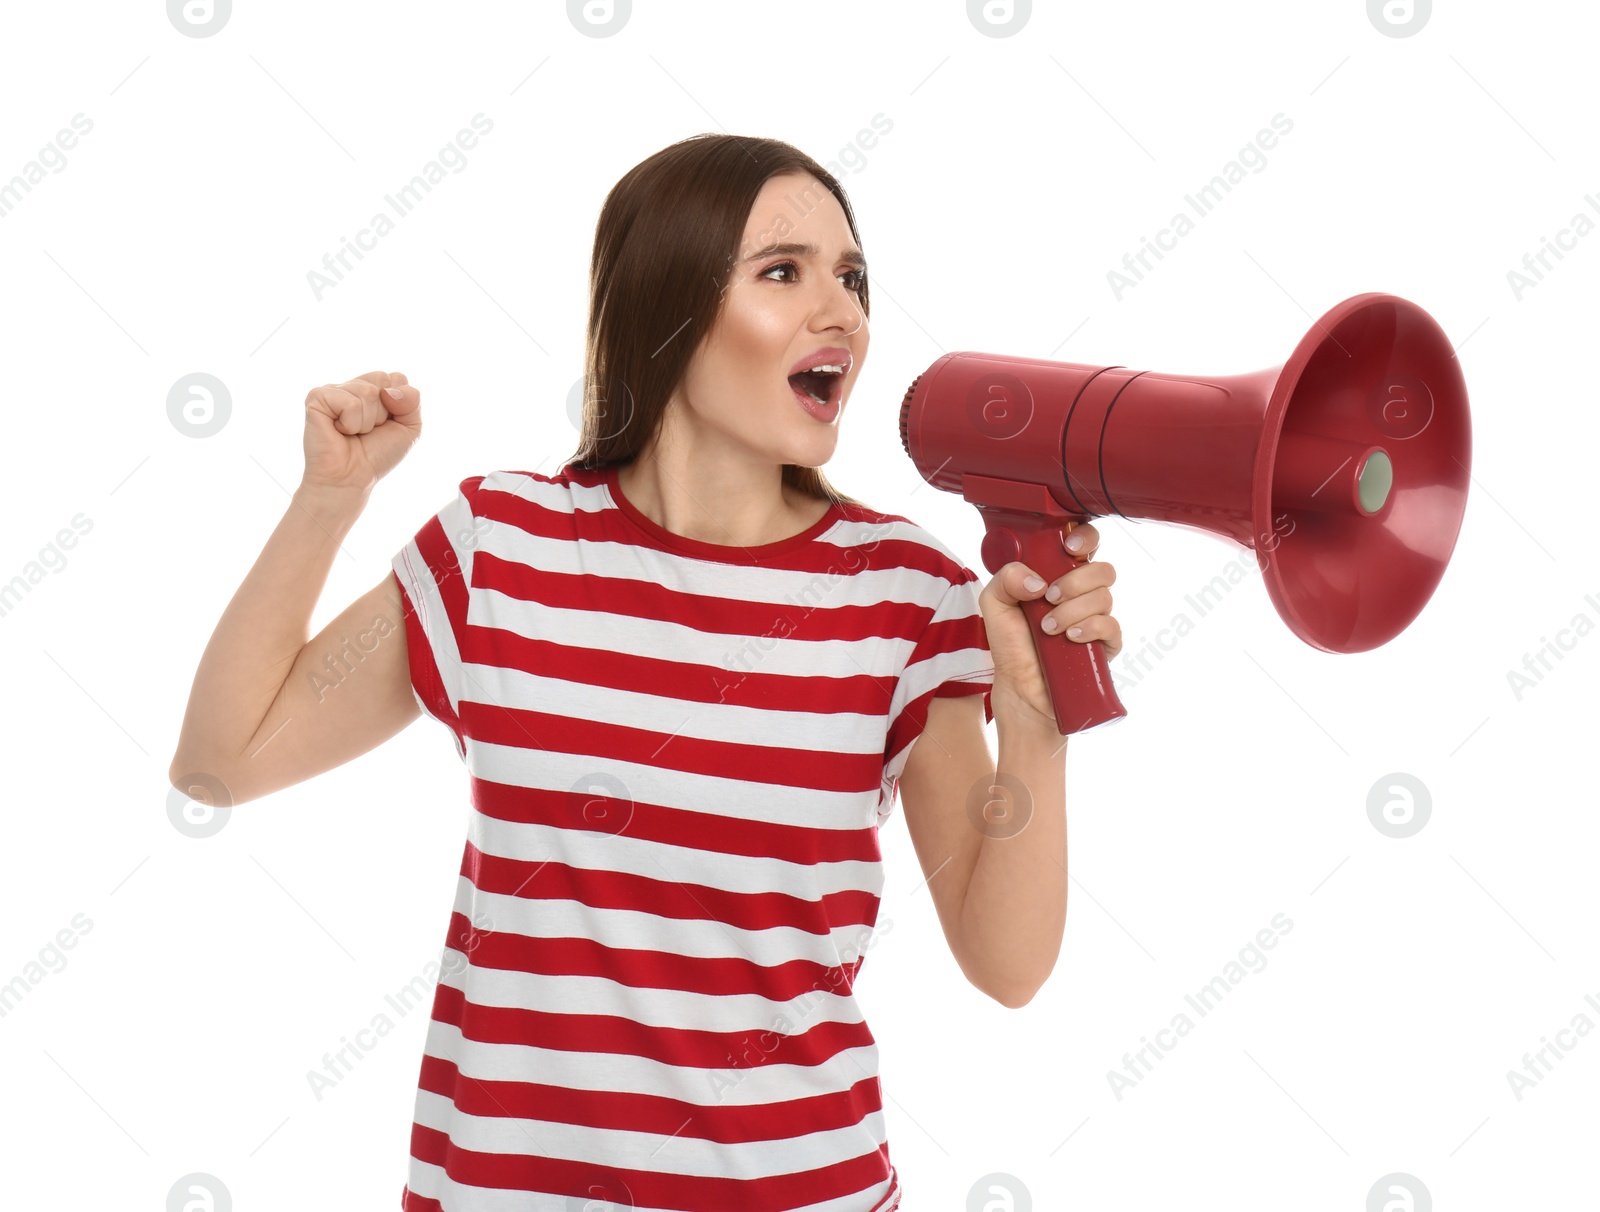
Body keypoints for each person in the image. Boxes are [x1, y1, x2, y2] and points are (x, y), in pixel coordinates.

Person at [169, 133, 1120, 1212]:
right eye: (783, 271)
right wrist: (330, 498)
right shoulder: (501, 548)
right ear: (668, 305)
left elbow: (1008, 966)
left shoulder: (902, 595)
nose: (843, 313)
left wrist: (1035, 725)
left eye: (852, 277)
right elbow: (220, 761)